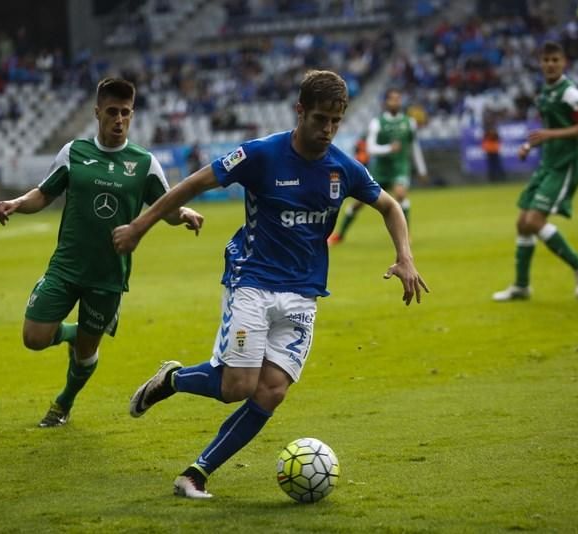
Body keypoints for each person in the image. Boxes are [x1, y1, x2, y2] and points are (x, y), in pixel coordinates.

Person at [112, 70, 428, 499]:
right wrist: (139, 227)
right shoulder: (261, 155)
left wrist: (404, 257)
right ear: (299, 111)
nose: (328, 130)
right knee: (236, 386)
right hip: (253, 279)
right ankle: (170, 381)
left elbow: (389, 206)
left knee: (272, 390)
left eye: (336, 121)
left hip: (304, 291)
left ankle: (195, 474)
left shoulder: (343, 168)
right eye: (320, 119)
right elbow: (192, 184)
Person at [0, 78, 203, 427]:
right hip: (66, 266)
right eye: (112, 112)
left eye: (125, 113)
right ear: (97, 113)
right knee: (34, 338)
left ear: (132, 115)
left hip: (108, 276)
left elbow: (166, 207)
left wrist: (185, 214)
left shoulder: (144, 163)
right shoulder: (74, 152)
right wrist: (16, 202)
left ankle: (63, 404)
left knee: (86, 355)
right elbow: (44, 193)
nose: (119, 120)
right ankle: (75, 332)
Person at [492, 41, 578, 302]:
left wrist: (550, 134)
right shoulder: (545, 93)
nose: (550, 64)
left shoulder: (570, 93)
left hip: (565, 164)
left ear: (564, 63)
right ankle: (522, 286)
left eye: (555, 60)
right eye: (546, 60)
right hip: (547, 163)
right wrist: (530, 144)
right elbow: (547, 128)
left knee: (534, 221)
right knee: (522, 224)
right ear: (540, 63)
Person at [328, 88, 427, 245]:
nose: (396, 102)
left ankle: (406, 236)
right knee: (358, 203)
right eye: (392, 99)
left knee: (400, 195)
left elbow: (414, 146)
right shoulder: (377, 123)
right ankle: (340, 234)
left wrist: (421, 169)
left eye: (398, 99)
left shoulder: (409, 123)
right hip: (380, 170)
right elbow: (370, 148)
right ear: (386, 102)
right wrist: (389, 148)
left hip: (399, 167)